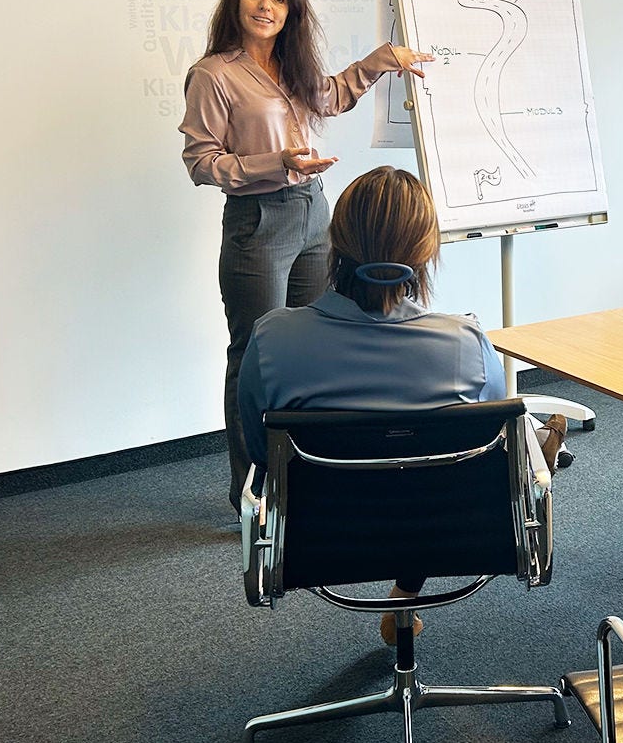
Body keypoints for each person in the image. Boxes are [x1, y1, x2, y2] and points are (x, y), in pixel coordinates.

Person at [237, 166, 567, 644]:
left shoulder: (272, 340)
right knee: (448, 466)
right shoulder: (466, 343)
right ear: (426, 253)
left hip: (320, 539)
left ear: (336, 244)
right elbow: (498, 463)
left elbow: (261, 456)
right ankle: (406, 592)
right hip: (445, 530)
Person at [180, 0, 435, 514]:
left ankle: (311, 474)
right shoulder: (213, 74)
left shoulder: (292, 66)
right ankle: (253, 492)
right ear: (236, 0)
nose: (266, 6)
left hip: (314, 214)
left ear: (290, 9)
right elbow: (201, 162)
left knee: (318, 343)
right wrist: (275, 161)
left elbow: (333, 95)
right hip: (259, 222)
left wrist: (378, 61)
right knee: (255, 355)